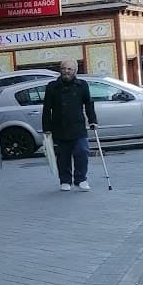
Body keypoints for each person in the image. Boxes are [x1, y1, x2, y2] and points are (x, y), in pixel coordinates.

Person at [41, 62, 97, 191]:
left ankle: (81, 179)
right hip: (59, 127)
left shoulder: (82, 85)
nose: (66, 71)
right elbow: (46, 109)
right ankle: (65, 180)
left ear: (75, 71)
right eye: (63, 68)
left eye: (69, 69)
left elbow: (89, 104)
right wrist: (46, 128)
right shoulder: (52, 86)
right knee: (63, 156)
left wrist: (93, 120)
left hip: (78, 126)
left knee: (82, 151)